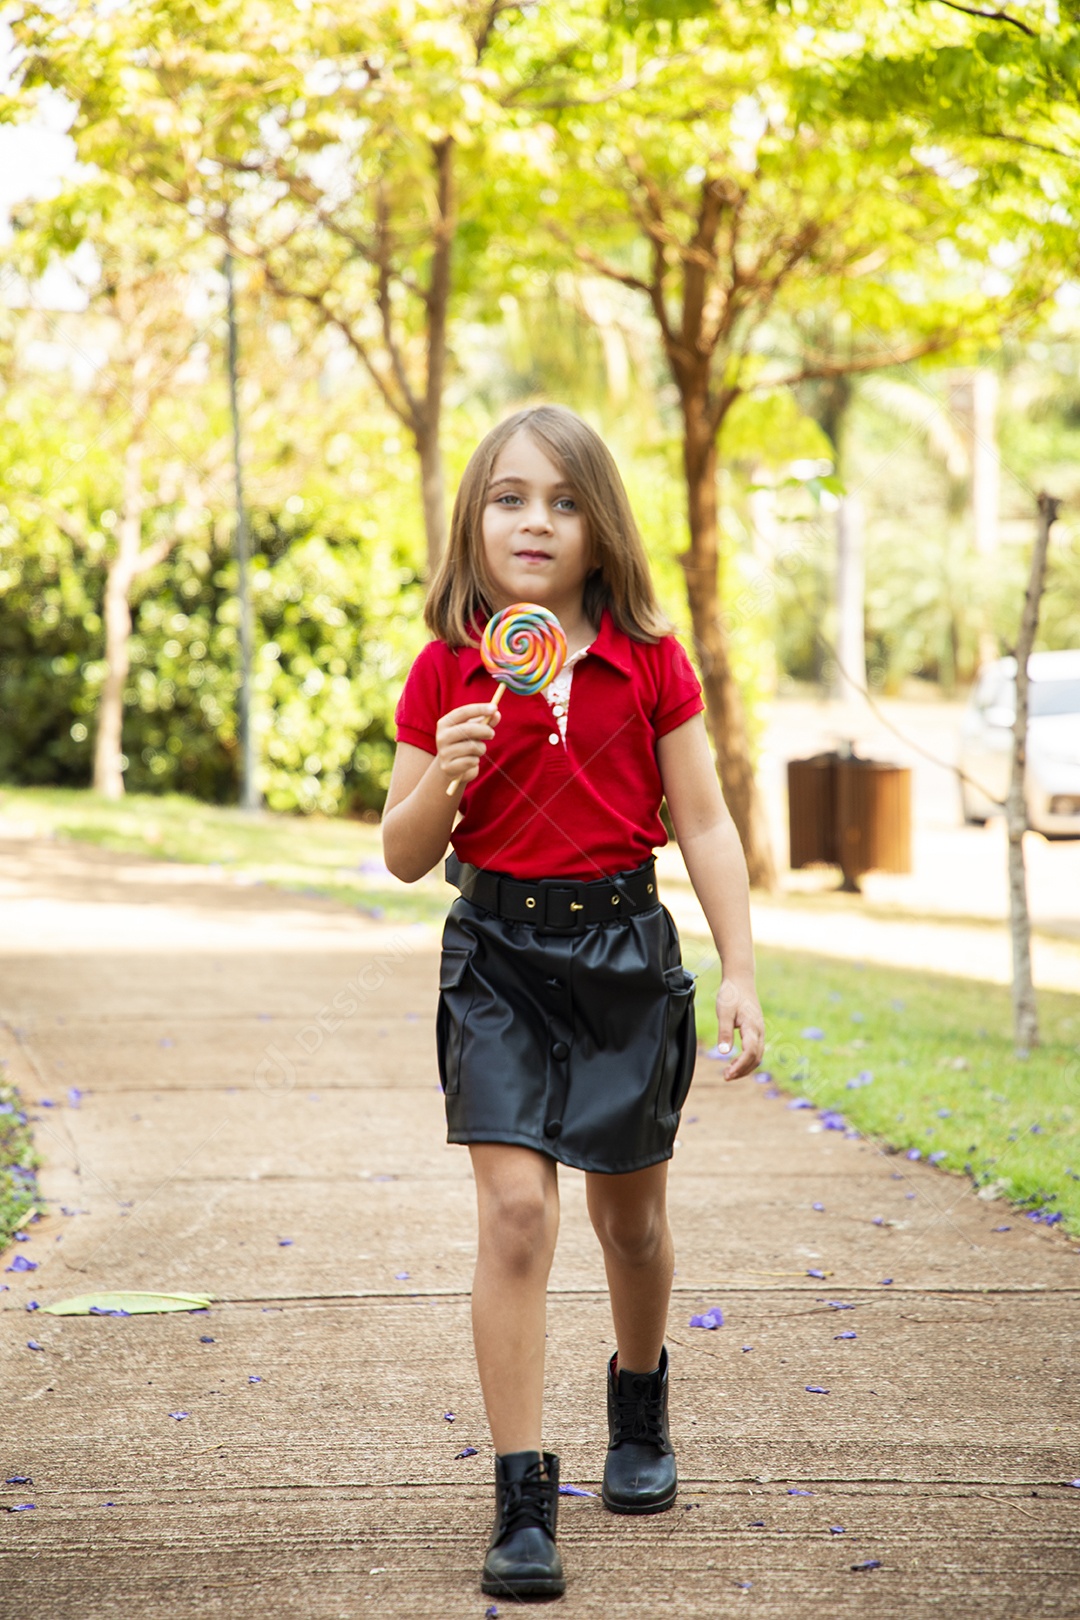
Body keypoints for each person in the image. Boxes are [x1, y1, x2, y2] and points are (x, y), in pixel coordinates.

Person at [382, 404, 764, 1601]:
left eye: (561, 501)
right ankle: (522, 1498)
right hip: (495, 955)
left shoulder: (649, 660)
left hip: (621, 955)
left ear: (602, 530)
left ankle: (639, 1406)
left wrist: (742, 967)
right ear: (474, 522)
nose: (534, 521)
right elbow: (400, 853)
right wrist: (448, 767)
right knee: (514, 1218)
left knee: (629, 1222)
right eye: (508, 497)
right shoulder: (448, 668)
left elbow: (699, 818)